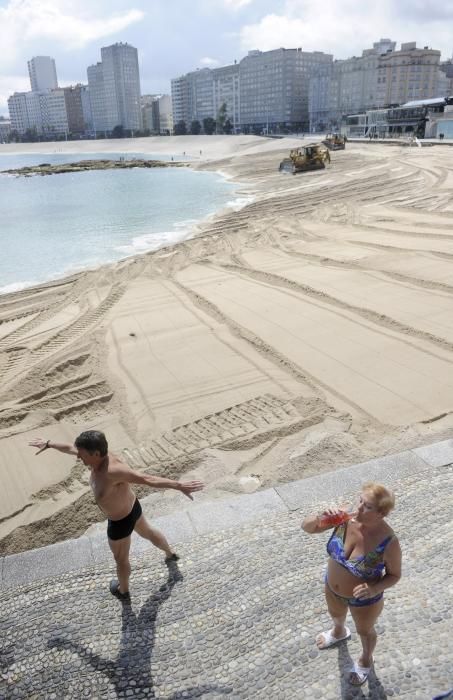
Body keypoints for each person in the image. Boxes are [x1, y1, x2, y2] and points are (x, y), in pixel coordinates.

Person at [29, 431, 204, 601]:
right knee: (148, 531)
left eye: (81, 455)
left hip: (120, 523)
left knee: (121, 560)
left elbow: (146, 479)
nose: (78, 457)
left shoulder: (113, 470)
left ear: (95, 453)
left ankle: (123, 590)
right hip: (132, 507)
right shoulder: (95, 456)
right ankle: (170, 554)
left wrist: (178, 485)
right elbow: (69, 447)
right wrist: (49, 444)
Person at [302, 482, 402, 686]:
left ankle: (366, 658)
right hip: (331, 587)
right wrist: (320, 516)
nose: (358, 508)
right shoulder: (344, 518)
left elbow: (395, 575)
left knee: (365, 632)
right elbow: (306, 528)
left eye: (367, 506)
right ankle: (338, 632)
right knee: (336, 615)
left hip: (364, 600)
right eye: (360, 501)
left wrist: (374, 588)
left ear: (381, 513)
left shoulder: (389, 543)